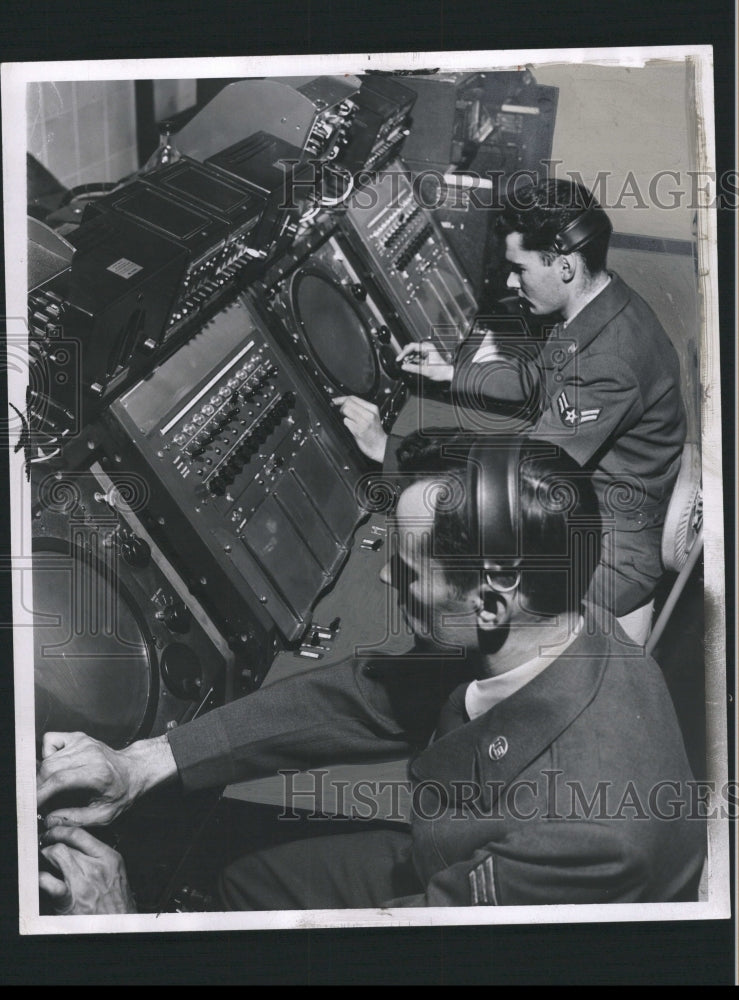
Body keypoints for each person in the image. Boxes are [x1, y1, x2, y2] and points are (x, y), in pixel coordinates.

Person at [36, 435, 704, 913]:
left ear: (492, 601)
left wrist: (114, 927)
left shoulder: (585, 842)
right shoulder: (554, 611)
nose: (386, 576)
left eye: (408, 568)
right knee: (248, 881)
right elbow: (370, 695)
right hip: (454, 850)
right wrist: (147, 760)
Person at [335, 180, 687, 638]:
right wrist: (450, 373)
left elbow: (520, 483)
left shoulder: (611, 362)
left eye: (519, 269)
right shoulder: (601, 305)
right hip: (595, 509)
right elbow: (539, 379)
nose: (509, 281)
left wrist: (390, 450)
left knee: (426, 590)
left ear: (564, 266)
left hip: (607, 556)